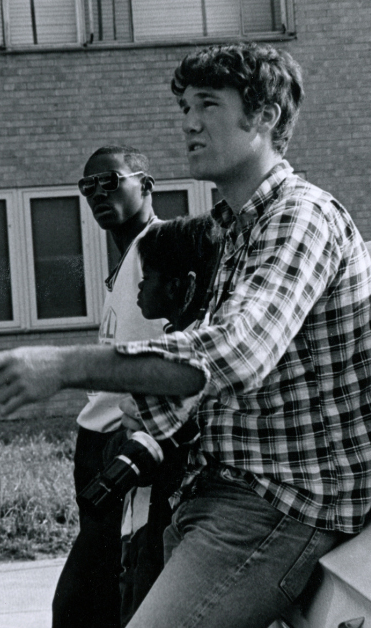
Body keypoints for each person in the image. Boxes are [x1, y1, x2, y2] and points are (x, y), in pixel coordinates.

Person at [0, 42, 371, 628]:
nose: (188, 122)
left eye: (208, 104)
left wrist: (63, 365)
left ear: (263, 117)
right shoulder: (235, 227)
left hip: (282, 505)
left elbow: (236, 355)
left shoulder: (300, 218)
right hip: (225, 491)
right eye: (185, 106)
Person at [51, 146, 167, 628]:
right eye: (87, 188)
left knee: (80, 605)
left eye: (110, 182)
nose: (98, 194)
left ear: (146, 184)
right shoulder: (128, 258)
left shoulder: (159, 248)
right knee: (101, 597)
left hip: (125, 441)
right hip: (96, 440)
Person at [117, 213, 220, 625]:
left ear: (184, 285)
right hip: (152, 516)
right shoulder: (172, 340)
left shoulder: (191, 354)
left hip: (174, 514)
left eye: (151, 275)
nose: (141, 286)